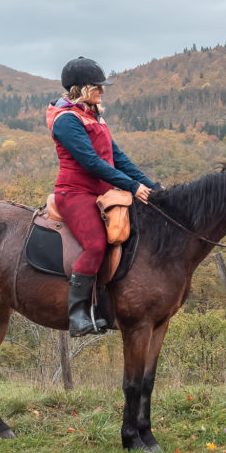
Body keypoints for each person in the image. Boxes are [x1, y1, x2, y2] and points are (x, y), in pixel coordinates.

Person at [47, 56, 161, 336]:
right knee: (96, 244)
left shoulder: (93, 116)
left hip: (103, 192)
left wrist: (152, 187)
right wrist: (133, 188)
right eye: (98, 86)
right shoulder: (66, 120)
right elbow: (92, 163)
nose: (103, 91)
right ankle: (78, 315)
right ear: (82, 89)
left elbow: (118, 159)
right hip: (74, 193)